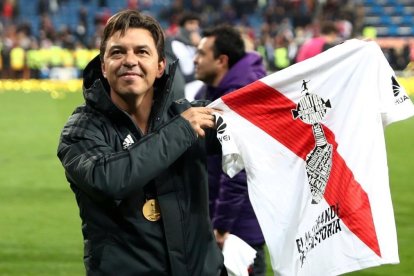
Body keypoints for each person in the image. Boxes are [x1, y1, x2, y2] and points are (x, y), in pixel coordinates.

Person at [57, 9, 226, 276]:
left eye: (142, 52)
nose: (129, 61)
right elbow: (108, 179)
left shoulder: (194, 115)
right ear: (103, 65)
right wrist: (181, 130)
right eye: (117, 52)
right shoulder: (81, 130)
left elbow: (260, 123)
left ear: (160, 66)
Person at [193, 24, 267, 276]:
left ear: (222, 61)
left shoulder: (239, 99)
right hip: (222, 220)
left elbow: (237, 170)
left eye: (202, 54)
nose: (195, 59)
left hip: (237, 230)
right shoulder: (214, 91)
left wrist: (222, 226)